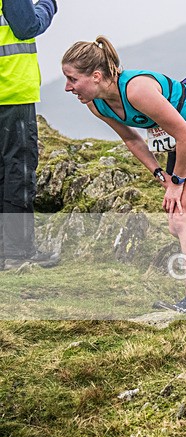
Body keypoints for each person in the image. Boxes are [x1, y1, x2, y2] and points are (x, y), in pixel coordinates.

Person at [61, 36, 186, 319]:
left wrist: (177, 183)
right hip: (182, 140)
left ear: (95, 76)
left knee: (184, 220)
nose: (68, 87)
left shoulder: (137, 90)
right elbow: (132, 140)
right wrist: (161, 175)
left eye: (72, 79)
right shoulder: (96, 103)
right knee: (178, 225)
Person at [0, 0, 59, 270]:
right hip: (11, 93)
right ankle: (16, 251)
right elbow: (26, 26)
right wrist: (49, 4)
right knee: (18, 171)